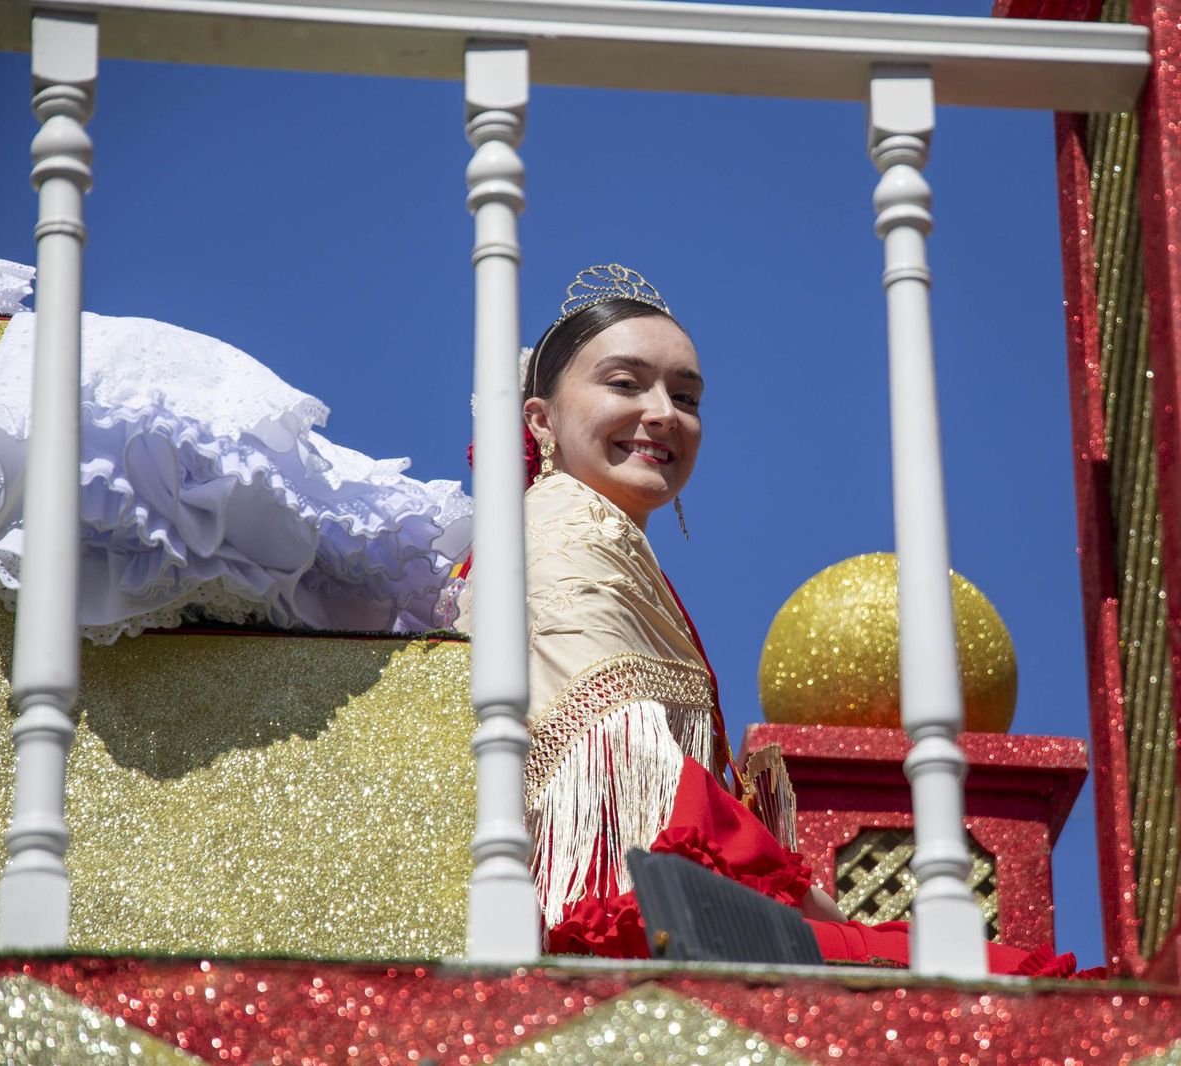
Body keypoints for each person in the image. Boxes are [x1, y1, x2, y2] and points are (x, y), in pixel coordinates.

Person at [460, 264, 1087, 975]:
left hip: (644, 904)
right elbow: (628, 770)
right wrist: (806, 896)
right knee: (996, 981)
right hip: (618, 922)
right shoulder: (567, 536)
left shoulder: (590, 536)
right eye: (626, 384)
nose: (664, 413)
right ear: (539, 418)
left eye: (686, 396)